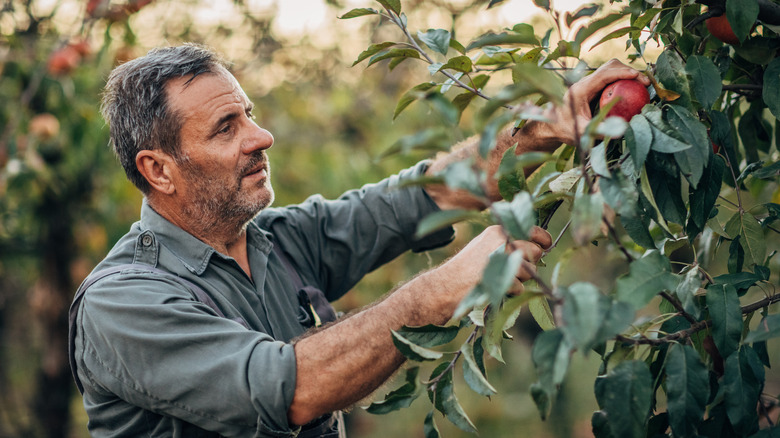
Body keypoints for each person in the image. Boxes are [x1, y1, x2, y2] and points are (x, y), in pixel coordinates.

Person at [68, 43, 649, 437]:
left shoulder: (274, 240)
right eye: (227, 128)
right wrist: (439, 291)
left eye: (248, 114)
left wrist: (549, 126)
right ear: (159, 169)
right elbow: (289, 389)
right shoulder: (122, 303)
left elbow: (425, 195)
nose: (261, 136)